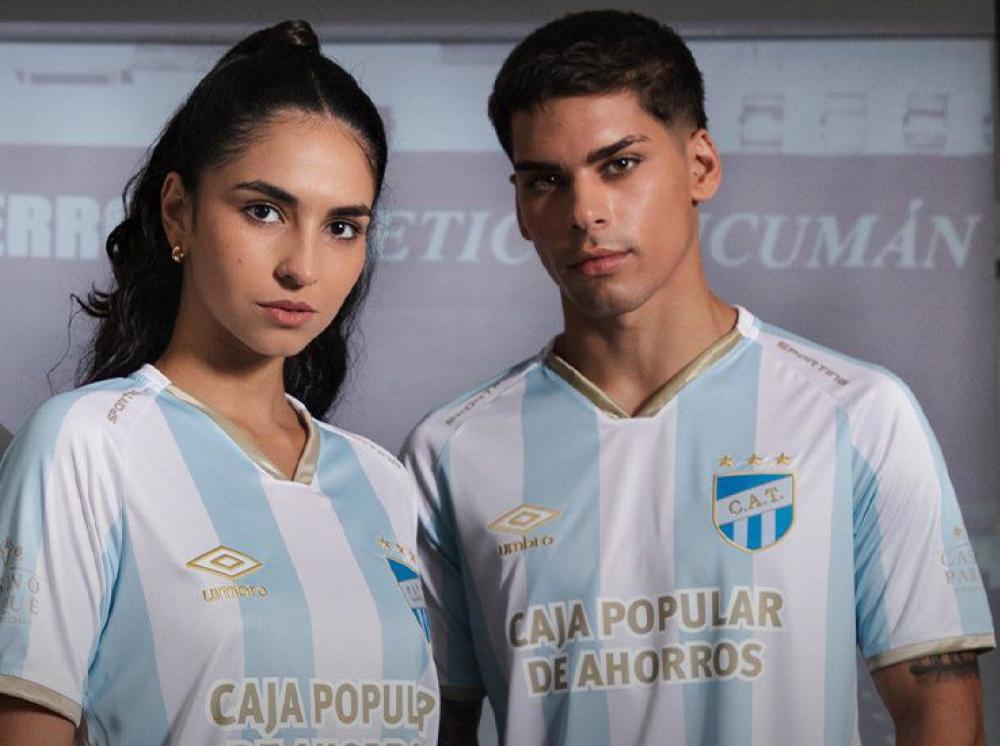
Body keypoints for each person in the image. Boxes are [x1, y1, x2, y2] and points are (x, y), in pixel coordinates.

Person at [401, 10, 994, 746]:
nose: (585, 212)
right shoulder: (448, 452)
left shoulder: (859, 413)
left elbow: (942, 711)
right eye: (546, 181)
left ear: (701, 166)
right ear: (521, 207)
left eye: (619, 165)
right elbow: (433, 727)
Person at [0, 20, 438, 746]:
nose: (302, 267)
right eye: (264, 211)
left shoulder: (381, 481)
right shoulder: (87, 446)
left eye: (342, 227)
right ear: (179, 211)